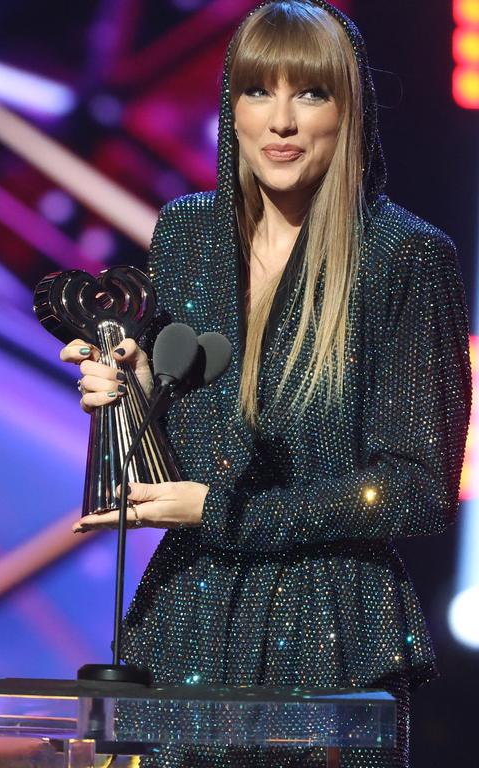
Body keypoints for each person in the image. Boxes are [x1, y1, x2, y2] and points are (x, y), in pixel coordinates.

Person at [64, 1, 471, 766]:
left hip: (329, 637)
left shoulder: (406, 259)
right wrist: (132, 396)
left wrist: (226, 513)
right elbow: (188, 444)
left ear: (350, 111)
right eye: (259, 92)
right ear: (232, 107)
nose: (281, 122)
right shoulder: (186, 234)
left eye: (310, 94)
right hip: (184, 617)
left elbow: (415, 489)